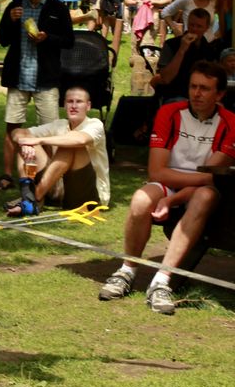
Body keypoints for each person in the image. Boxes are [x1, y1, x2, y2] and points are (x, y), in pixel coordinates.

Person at [99, 61, 235, 315]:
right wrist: (168, 195)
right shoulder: (169, 112)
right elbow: (156, 171)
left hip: (203, 189)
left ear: (219, 95)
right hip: (170, 182)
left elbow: (210, 178)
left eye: (205, 89)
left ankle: (162, 281)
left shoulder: (231, 123)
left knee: (204, 196)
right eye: (193, 86)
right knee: (140, 199)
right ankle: (127, 271)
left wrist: (172, 201)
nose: (196, 93)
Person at [0, 0, 74, 193]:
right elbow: (4, 39)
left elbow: (69, 40)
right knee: (12, 127)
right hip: (19, 76)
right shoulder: (16, 5)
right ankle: (7, 175)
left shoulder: (57, 7)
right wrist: (10, 20)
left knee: (50, 130)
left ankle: (49, 178)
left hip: (45, 78)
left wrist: (47, 38)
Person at [5, 87, 110, 217]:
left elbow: (80, 140)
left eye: (79, 102)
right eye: (70, 101)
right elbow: (17, 132)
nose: (74, 106)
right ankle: (28, 198)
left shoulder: (95, 124)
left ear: (88, 106)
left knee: (69, 144)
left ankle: (34, 199)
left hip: (90, 194)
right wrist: (25, 142)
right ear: (65, 105)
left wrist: (39, 141)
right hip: (59, 189)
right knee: (26, 142)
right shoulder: (60, 124)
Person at [153, 8, 215, 103]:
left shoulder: (210, 49)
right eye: (191, 25)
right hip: (175, 95)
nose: (194, 29)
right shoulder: (171, 44)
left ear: (206, 28)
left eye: (199, 26)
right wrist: (182, 50)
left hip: (201, 96)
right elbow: (166, 78)